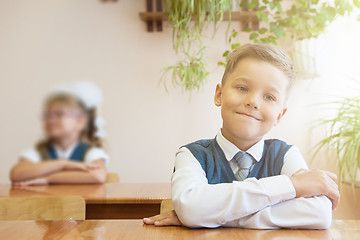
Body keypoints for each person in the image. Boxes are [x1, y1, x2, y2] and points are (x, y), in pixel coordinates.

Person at [143, 44, 340, 229]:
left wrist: (213, 215)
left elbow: (320, 213)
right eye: (242, 88)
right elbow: (190, 207)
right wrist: (291, 186)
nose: (253, 101)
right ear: (219, 94)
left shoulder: (286, 154)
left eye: (269, 97)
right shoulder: (191, 154)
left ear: (280, 115)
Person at [10, 82, 109, 186]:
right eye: (48, 115)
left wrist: (49, 179)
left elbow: (97, 175)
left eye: (59, 114)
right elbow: (17, 174)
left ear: (80, 121)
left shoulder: (91, 151)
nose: (51, 119)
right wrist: (63, 164)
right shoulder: (38, 151)